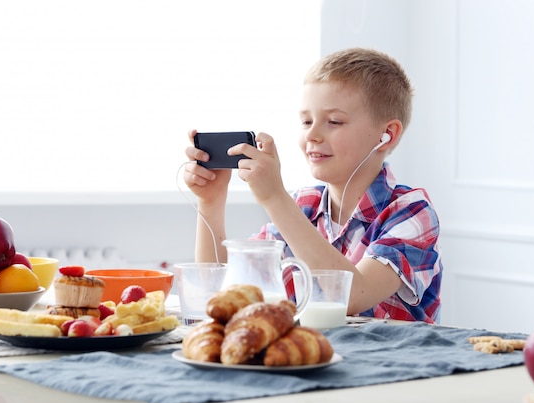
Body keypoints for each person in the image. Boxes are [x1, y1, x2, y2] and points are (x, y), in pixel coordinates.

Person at [183, 47, 442, 323]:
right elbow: (223, 288)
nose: (312, 135)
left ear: (386, 135)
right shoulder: (302, 206)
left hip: (394, 362)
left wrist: (274, 198)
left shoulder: (413, 211)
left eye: (334, 121)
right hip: (311, 358)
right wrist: (210, 204)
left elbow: (352, 295)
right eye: (306, 121)